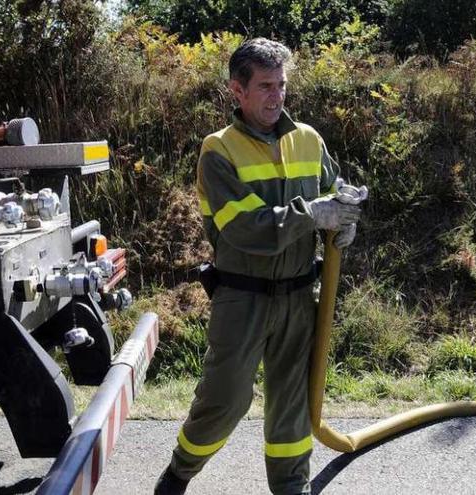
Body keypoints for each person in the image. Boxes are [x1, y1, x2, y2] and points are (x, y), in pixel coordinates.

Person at [154, 38, 361, 495]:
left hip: (298, 298)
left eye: (282, 84)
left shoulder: (309, 139)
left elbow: (335, 194)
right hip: (241, 297)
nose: (276, 96)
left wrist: (345, 222)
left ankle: (291, 487)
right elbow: (244, 229)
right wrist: (315, 215)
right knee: (225, 400)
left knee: (291, 403)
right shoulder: (219, 150)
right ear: (237, 91)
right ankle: (178, 474)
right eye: (265, 85)